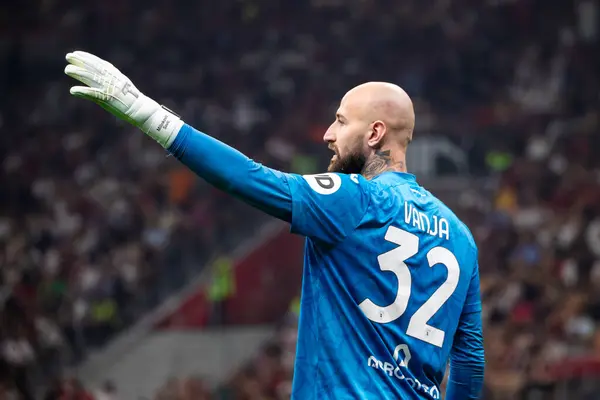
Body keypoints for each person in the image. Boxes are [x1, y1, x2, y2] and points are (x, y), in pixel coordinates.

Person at [64, 51, 484, 399]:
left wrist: (143, 112)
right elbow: (468, 364)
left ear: (374, 133)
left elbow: (248, 178)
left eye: (340, 120)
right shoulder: (462, 239)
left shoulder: (356, 198)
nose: (326, 134)